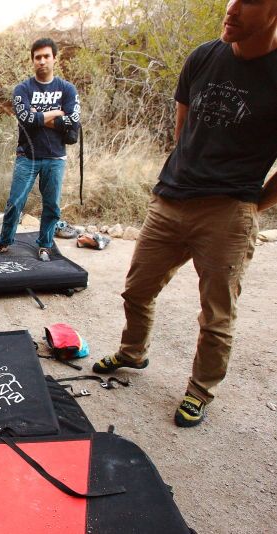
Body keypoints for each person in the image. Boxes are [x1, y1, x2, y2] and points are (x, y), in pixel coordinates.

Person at [93, 0, 277, 427]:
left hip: (228, 213)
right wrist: (183, 177)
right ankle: (132, 352)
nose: (231, 8)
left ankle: (200, 390)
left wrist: (250, 205)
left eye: (248, 0)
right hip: (170, 199)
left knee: (216, 315)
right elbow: (183, 130)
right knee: (137, 290)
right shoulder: (203, 56)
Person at [0, 37, 81, 261]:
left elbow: (73, 120)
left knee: (51, 205)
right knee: (15, 202)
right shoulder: (23, 88)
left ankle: (45, 246)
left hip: (55, 157)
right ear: (32, 61)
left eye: (46, 56)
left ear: (54, 59)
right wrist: (57, 113)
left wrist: (40, 116)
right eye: (37, 57)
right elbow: (25, 117)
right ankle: (4, 243)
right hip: (27, 155)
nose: (42, 61)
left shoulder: (67, 89)